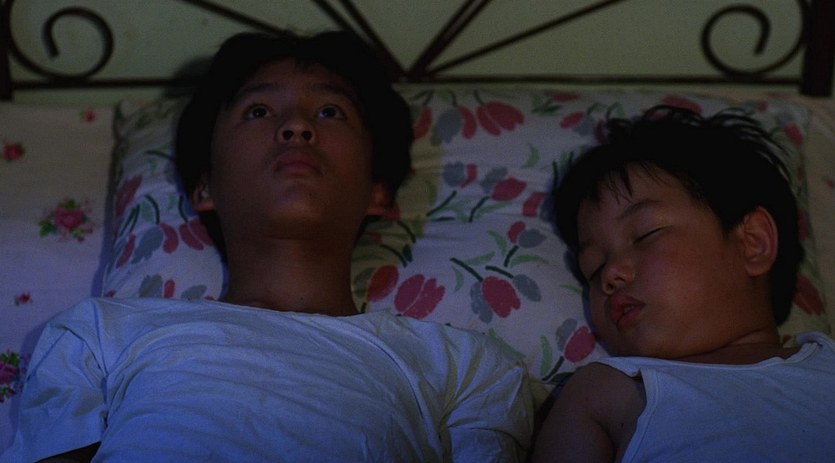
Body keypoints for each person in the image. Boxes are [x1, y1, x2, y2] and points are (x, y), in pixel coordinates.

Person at [1, 30, 533, 462]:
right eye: (258, 111)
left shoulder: (468, 367)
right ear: (204, 187)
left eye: (331, 112)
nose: (296, 126)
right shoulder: (100, 335)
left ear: (379, 191)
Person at [531, 106, 835, 462]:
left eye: (645, 234)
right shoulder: (605, 391)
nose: (610, 274)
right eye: (593, 269)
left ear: (753, 242)